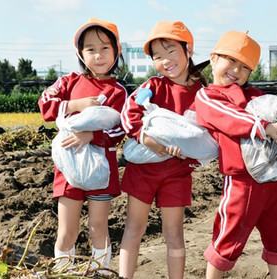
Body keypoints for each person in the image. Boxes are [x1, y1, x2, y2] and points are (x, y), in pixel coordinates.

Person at [194, 30, 277, 279]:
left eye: (244, 66)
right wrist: (265, 127)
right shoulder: (208, 96)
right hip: (242, 181)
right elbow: (231, 117)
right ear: (213, 58)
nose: (236, 70)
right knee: (228, 237)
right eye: (230, 60)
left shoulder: (258, 97)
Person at [119, 21, 208, 279]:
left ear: (188, 50)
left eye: (171, 51)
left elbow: (207, 135)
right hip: (143, 169)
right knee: (134, 227)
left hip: (177, 172)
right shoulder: (152, 87)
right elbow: (129, 114)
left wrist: (191, 155)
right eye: (157, 56)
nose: (165, 61)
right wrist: (147, 140)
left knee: (174, 233)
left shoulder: (202, 94)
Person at [38, 17, 127, 271]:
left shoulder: (118, 92)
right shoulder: (69, 82)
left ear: (116, 51)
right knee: (68, 229)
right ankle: (63, 271)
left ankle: (100, 271)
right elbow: (45, 105)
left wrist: (92, 136)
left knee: (98, 226)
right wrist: (76, 105)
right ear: (80, 53)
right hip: (68, 166)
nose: (98, 55)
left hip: (100, 168)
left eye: (105, 48)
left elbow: (121, 128)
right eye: (90, 49)